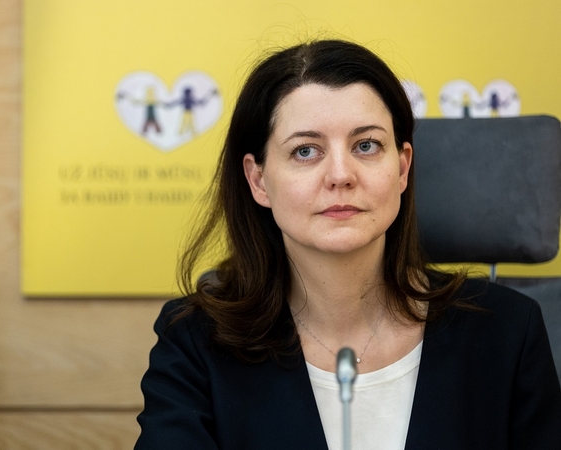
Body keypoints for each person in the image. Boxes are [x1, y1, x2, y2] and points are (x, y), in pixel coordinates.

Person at [134, 39, 561, 449]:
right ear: (258, 180)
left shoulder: (508, 330)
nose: (341, 175)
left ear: (402, 169)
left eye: (366, 145)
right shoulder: (195, 342)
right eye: (305, 151)